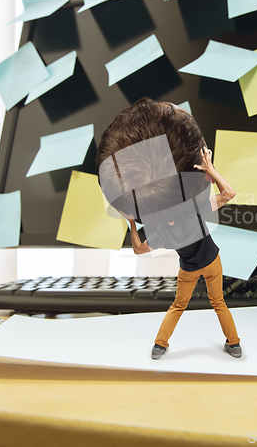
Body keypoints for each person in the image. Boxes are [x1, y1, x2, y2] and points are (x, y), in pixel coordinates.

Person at [96, 98, 242, 360]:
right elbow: (228, 193)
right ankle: (234, 343)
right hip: (212, 261)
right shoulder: (194, 209)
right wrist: (211, 168)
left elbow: (139, 249)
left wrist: (130, 221)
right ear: (202, 180)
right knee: (219, 303)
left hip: (188, 270)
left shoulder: (161, 233)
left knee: (177, 306)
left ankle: (160, 345)